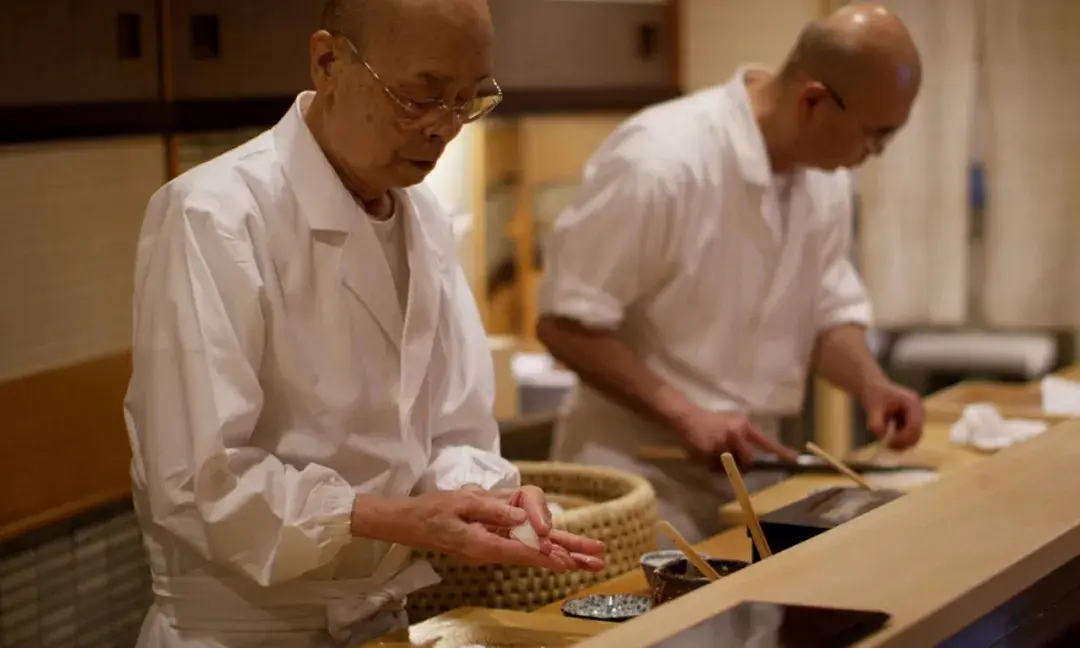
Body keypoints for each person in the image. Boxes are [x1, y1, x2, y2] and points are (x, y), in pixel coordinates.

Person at [123, 0, 605, 645]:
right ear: (328, 61)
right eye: (420, 96)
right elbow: (200, 478)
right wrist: (395, 519)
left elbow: (451, 428)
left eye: (469, 100)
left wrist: (490, 503)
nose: (445, 127)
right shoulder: (215, 214)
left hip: (380, 623)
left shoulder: (424, 217)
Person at [536, 3, 926, 544]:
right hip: (638, 478)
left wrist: (873, 385)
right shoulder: (660, 161)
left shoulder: (826, 178)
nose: (873, 154)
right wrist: (685, 413)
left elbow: (825, 313)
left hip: (752, 472)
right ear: (813, 100)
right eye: (874, 136)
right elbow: (565, 323)